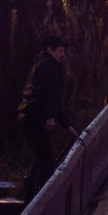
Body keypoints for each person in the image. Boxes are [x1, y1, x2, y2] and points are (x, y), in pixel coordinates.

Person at [17, 35, 79, 201]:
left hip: (32, 116)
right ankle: (41, 200)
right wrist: (49, 117)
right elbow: (44, 94)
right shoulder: (47, 66)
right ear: (49, 49)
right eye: (60, 51)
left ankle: (30, 193)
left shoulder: (50, 64)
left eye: (64, 51)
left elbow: (55, 100)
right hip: (33, 117)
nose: (63, 54)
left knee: (42, 155)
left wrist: (67, 125)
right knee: (48, 161)